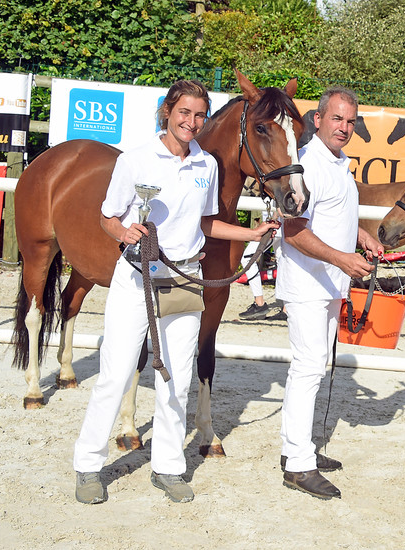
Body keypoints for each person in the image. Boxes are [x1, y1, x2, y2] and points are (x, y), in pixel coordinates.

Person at [73, 79, 280, 505]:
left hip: (185, 280)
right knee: (114, 375)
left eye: (200, 115)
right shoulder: (135, 159)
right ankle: (88, 465)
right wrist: (122, 229)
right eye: (184, 112)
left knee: (176, 380)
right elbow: (108, 216)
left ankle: (168, 468)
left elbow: (205, 224)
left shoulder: (205, 164)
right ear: (168, 111)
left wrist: (251, 230)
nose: (192, 122)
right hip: (137, 279)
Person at [276, 86, 383, 500]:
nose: (344, 127)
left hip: (329, 282)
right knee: (307, 367)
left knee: (313, 367)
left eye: (350, 121)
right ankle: (299, 465)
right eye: (336, 118)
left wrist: (361, 235)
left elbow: (328, 214)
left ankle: (296, 448)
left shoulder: (339, 164)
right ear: (317, 120)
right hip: (307, 282)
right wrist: (343, 259)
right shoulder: (305, 165)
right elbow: (293, 230)